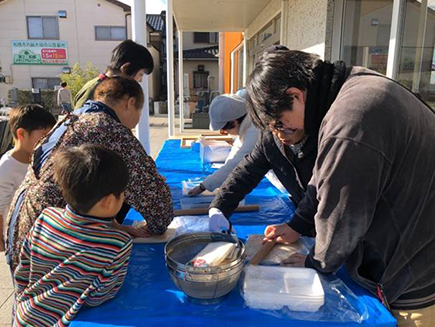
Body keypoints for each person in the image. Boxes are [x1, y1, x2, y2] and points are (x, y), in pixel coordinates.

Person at [247, 50, 435, 324]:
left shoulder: (351, 118)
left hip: (416, 270)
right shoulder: (351, 88)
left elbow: (343, 213)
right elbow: (324, 176)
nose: (281, 133)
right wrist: (298, 224)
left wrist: (316, 262)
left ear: (295, 96)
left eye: (280, 123)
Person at [6, 77, 173, 273]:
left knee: (33, 296)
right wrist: (156, 225)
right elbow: (156, 202)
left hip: (25, 231)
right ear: (131, 103)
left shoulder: (71, 118)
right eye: (140, 111)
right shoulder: (110, 129)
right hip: (58, 247)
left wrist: (114, 224)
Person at [13, 144, 133, 326]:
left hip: (24, 316)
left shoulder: (46, 217)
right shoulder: (118, 244)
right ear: (108, 201)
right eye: (122, 193)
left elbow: (22, 272)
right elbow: (98, 298)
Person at [0, 105, 55, 252]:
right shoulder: (6, 167)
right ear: (22, 134)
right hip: (19, 241)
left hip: (40, 238)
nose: (49, 142)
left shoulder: (39, 158)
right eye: (44, 136)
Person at [188, 94, 259, 197]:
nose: (226, 133)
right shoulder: (246, 125)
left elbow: (237, 163)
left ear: (234, 122)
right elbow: (235, 153)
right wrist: (220, 180)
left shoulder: (255, 130)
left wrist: (203, 186)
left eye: (224, 130)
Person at [73, 40, 154, 109]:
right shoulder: (93, 90)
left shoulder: (114, 90)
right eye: (141, 74)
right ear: (126, 68)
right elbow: (76, 124)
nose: (140, 80)